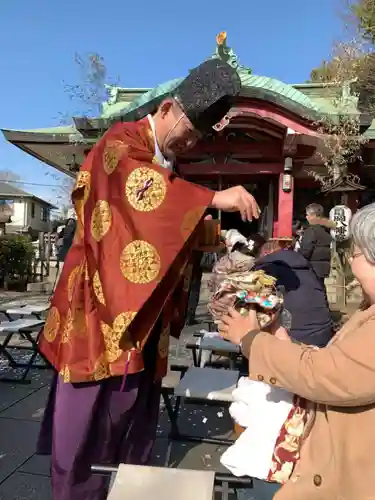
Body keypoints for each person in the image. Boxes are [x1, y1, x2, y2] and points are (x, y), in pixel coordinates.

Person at [36, 58, 261, 500]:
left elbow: (161, 230)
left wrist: (214, 237)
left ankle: (128, 484)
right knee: (89, 413)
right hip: (98, 310)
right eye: (190, 131)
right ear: (168, 108)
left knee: (132, 411)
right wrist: (216, 196)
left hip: (141, 314)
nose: (191, 142)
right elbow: (142, 203)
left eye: (198, 137)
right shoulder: (120, 144)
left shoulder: (164, 162)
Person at [219, 202, 375, 500]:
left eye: (355, 254)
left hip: (345, 472)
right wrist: (278, 335)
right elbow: (338, 362)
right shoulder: (363, 306)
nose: (351, 265)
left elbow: (325, 375)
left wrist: (250, 339)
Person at [254, 238, 333, 347]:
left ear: (266, 253)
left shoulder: (267, 268)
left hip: (295, 339)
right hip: (324, 333)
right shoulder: (307, 268)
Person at [298, 203, 334, 286]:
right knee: (320, 290)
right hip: (323, 268)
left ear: (313, 216)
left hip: (312, 267)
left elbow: (305, 251)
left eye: (307, 215)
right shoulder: (326, 230)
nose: (306, 217)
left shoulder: (312, 231)